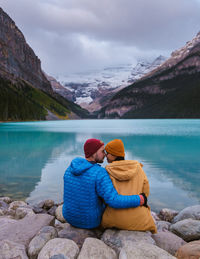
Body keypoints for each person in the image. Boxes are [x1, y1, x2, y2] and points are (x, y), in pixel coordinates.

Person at [62, 138, 147, 229]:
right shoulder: (99, 173)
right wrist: (140, 199)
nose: (105, 154)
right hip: (89, 222)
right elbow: (114, 201)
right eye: (102, 151)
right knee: (109, 200)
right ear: (94, 153)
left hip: (68, 217)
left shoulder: (70, 168)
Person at [101, 139, 157, 233]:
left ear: (114, 154)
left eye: (107, 153)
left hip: (114, 217)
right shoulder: (138, 168)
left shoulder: (107, 171)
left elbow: (104, 197)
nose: (105, 155)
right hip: (138, 219)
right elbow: (146, 191)